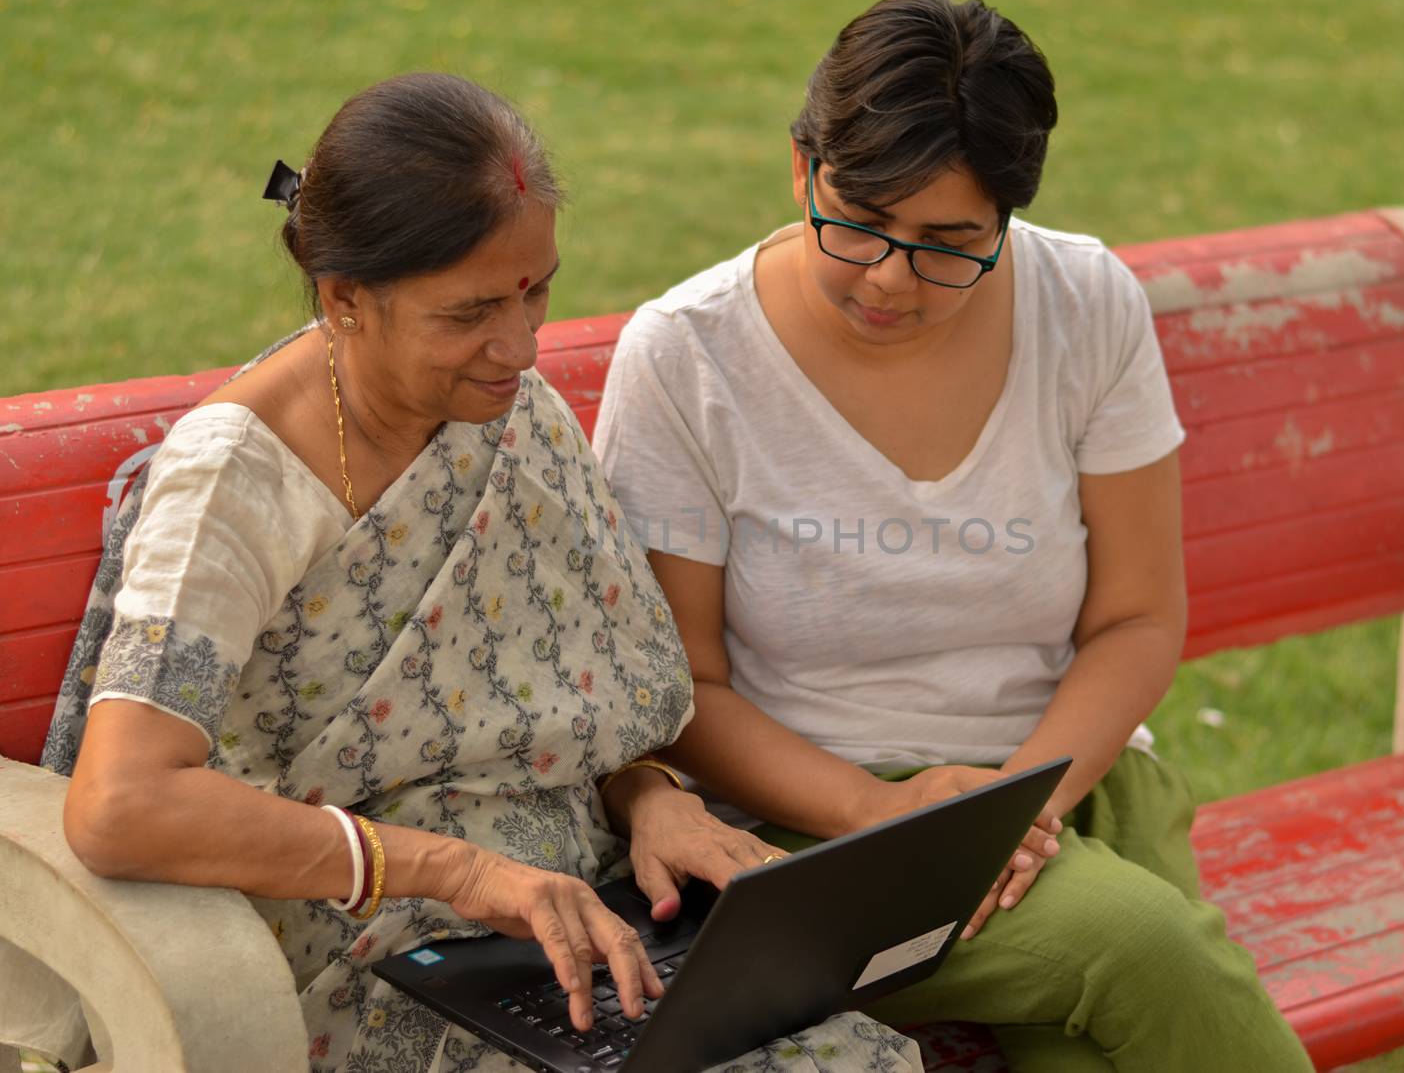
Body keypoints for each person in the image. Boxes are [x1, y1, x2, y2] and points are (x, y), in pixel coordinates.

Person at [32, 74, 916, 1073]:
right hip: (349, 955)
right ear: (344, 298)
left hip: (568, 913)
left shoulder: (513, 414)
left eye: (536, 288)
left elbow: (577, 698)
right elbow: (123, 804)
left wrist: (653, 796)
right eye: (470, 311)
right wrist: (456, 871)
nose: (521, 343)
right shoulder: (232, 484)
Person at [592, 0, 1317, 1071]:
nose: (889, 277)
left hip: (1073, 776)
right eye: (859, 221)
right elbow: (680, 692)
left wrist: (1020, 812)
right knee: (1144, 947)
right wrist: (884, 810)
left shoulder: (1084, 305)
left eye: (947, 244)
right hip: (815, 828)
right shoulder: (688, 358)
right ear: (800, 168)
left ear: (1009, 218)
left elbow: (1134, 615)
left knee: (1089, 1049)